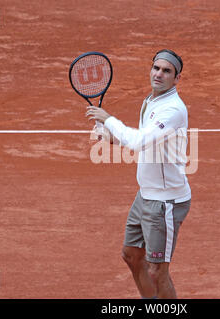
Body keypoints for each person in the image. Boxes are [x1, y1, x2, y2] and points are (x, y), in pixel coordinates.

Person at [86, 49, 191, 299]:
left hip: (166, 202)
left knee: (157, 271)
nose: (159, 74)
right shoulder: (151, 101)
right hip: (145, 195)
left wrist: (108, 119)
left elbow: (139, 141)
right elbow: (146, 143)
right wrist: (112, 139)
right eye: (156, 68)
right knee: (131, 255)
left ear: (176, 79)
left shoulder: (173, 109)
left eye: (167, 71)